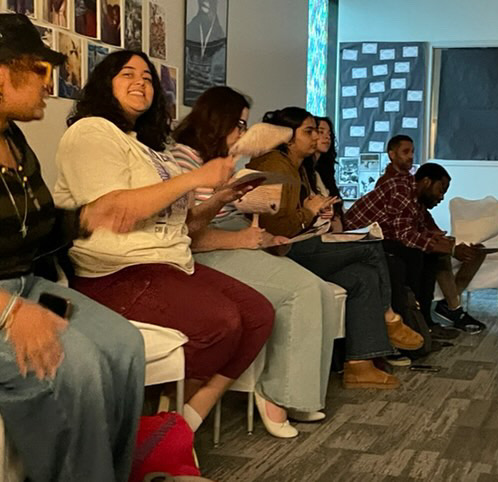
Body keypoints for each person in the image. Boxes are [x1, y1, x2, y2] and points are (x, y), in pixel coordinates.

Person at [53, 50, 274, 433]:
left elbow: (181, 225)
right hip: (116, 271)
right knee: (220, 322)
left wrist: (218, 198)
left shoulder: (151, 149)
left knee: (259, 315)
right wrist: (194, 178)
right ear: (105, 83)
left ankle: (181, 423)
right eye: (127, 74)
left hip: (171, 263)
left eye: (148, 77)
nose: (140, 81)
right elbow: (113, 207)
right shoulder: (90, 131)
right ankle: (154, 426)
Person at [0, 14, 145, 481]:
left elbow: (36, 226)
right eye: (41, 72)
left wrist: (86, 217)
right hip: (4, 301)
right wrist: (10, 312)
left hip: (28, 285)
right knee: (76, 363)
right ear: (3, 73)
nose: (50, 84)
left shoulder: (14, 139)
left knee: (125, 345)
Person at [170, 86, 341, 438]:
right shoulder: (182, 159)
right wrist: (242, 238)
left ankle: (301, 393)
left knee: (321, 291)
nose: (243, 134)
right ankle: (276, 393)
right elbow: (185, 231)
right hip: (207, 247)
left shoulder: (220, 159)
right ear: (218, 121)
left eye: (246, 126)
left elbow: (230, 213)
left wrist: (262, 235)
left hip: (231, 234)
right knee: (302, 289)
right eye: (239, 125)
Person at [248, 107, 424, 389]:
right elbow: (280, 228)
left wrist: (316, 213)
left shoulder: (296, 166)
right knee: (371, 247)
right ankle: (389, 318)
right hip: (285, 251)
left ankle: (360, 365)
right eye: (309, 131)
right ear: (288, 138)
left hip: (303, 242)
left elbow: (295, 217)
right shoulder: (276, 165)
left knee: (362, 276)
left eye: (316, 130)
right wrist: (309, 212)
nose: (316, 136)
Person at [344, 162, 488, 335]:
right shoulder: (401, 190)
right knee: (415, 254)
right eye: (441, 189)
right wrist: (450, 249)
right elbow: (405, 236)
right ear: (426, 181)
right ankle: (413, 322)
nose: (441, 197)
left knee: (430, 254)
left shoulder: (417, 200)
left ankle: (425, 321)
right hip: (356, 242)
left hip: (378, 239)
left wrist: (447, 245)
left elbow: (422, 231)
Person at [302, 116, 344, 231]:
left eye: (329, 133)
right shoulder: (302, 171)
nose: (327, 137)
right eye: (321, 132)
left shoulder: (322, 171)